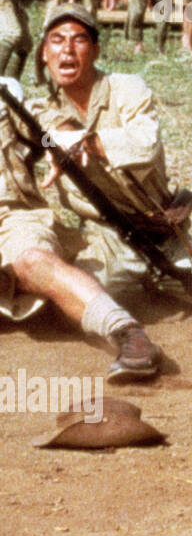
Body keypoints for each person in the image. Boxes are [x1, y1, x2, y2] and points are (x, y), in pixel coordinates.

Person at [30, 5, 192, 311]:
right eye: (57, 39)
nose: (67, 49)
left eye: (79, 40)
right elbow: (44, 131)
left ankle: (159, 277)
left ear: (95, 50)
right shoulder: (39, 112)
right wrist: (56, 137)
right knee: (79, 302)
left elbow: (145, 144)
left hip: (163, 230)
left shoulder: (128, 88)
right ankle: (134, 276)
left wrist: (88, 142)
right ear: (44, 53)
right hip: (105, 235)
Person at [0, 70, 166, 382]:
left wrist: (64, 140)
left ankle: (127, 334)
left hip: (10, 217)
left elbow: (45, 124)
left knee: (33, 261)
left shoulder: (5, 98)